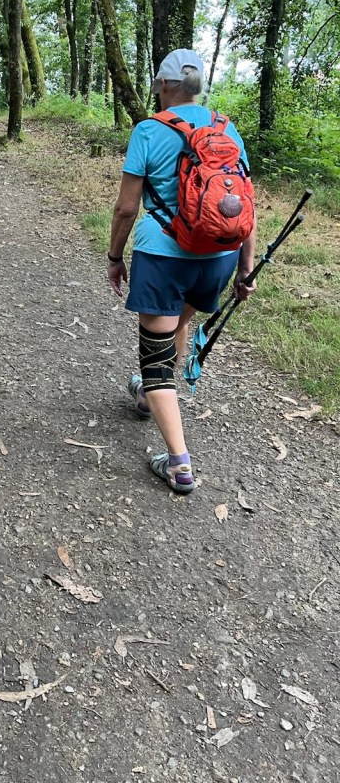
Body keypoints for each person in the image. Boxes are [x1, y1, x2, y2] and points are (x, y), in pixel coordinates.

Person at [107, 48, 257, 494]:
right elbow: (243, 204)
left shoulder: (149, 130)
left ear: (165, 86)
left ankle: (179, 464)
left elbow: (126, 207)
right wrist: (245, 269)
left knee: (154, 362)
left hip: (163, 257)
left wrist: (114, 257)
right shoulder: (226, 128)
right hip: (218, 258)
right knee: (179, 323)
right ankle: (146, 397)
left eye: (158, 85)